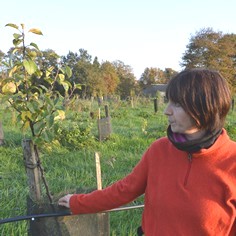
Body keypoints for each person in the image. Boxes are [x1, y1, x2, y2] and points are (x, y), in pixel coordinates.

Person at [58, 68, 236, 235]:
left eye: (178, 104)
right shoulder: (159, 150)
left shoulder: (232, 162)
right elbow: (124, 190)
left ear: (206, 107)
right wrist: (78, 203)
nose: (167, 111)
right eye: (168, 102)